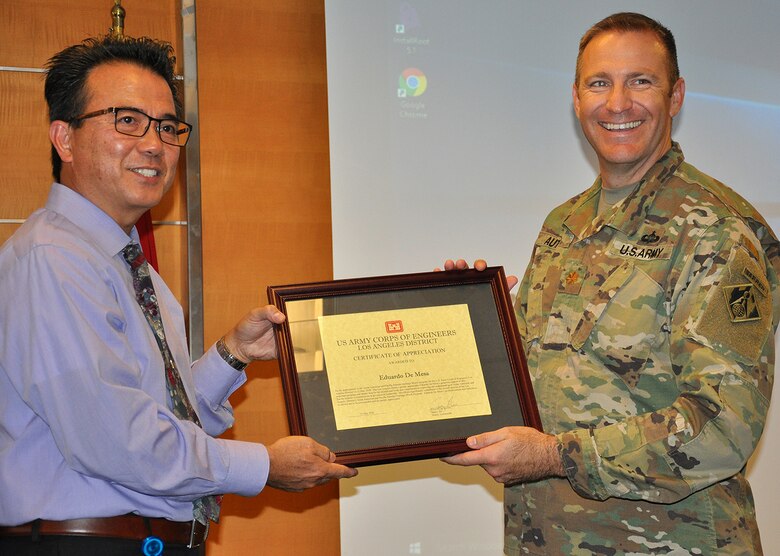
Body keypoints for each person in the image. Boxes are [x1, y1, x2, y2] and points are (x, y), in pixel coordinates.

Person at [0, 35, 356, 555]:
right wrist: (264, 465)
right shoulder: (55, 259)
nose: (153, 144)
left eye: (167, 127)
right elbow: (117, 440)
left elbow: (156, 413)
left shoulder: (127, 265)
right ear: (65, 139)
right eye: (127, 120)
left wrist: (231, 355)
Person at [441, 12, 779, 555]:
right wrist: (462, 325)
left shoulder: (716, 232)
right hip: (546, 540)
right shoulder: (563, 226)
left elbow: (722, 426)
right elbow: (536, 385)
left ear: (676, 96)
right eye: (600, 83)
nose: (617, 103)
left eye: (640, 81)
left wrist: (555, 456)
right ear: (576, 98)